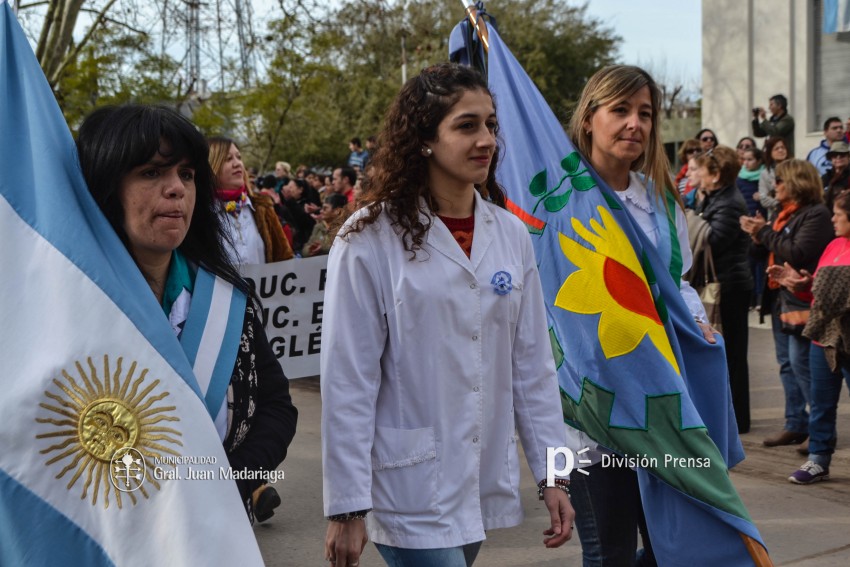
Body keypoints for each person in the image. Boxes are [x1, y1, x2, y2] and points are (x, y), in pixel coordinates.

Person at [321, 63, 574, 567]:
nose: (486, 139)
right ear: (423, 140)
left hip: (480, 479)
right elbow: (348, 378)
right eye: (466, 125)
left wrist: (557, 474)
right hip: (406, 482)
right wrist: (346, 505)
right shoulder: (368, 237)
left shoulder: (510, 233)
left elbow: (535, 369)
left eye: (491, 124)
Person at [75, 104, 298, 523]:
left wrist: (231, 483)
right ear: (106, 187)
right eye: (151, 172)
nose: (176, 188)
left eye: (187, 174)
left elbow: (277, 407)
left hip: (214, 530)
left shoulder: (228, 299)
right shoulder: (71, 304)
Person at [567, 64, 715, 566]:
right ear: (589, 118)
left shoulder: (661, 202)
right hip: (584, 409)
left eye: (646, 113)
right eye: (621, 110)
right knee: (606, 550)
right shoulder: (554, 199)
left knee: (668, 546)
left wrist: (696, 317)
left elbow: (676, 286)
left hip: (660, 401)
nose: (636, 123)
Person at [740, 159, 834, 449]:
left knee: (802, 365)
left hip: (803, 301)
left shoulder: (816, 215)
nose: (775, 186)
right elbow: (766, 252)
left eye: (780, 181)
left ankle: (819, 432)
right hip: (781, 299)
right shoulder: (784, 214)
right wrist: (758, 237)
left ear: (796, 183)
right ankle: (796, 424)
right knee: (786, 365)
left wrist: (764, 233)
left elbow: (797, 251)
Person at [767, 192, 850, 483]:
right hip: (824, 337)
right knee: (821, 402)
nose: (833, 219)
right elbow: (819, 293)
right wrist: (799, 284)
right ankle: (818, 459)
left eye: (838, 214)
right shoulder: (834, 245)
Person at [693, 146, 754, 432]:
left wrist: (691, 220)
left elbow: (714, 241)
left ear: (716, 175)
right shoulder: (718, 197)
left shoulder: (729, 202)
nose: (699, 175)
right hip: (726, 285)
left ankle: (739, 420)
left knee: (733, 356)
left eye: (702, 169)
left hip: (731, 288)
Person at [208, 137, 294, 264]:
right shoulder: (200, 213)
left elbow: (284, 258)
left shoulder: (263, 207)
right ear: (212, 167)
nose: (237, 163)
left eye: (239, 157)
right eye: (228, 159)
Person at [753, 136, 791, 221]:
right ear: (770, 152)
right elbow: (764, 200)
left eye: (782, 147)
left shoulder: (795, 169)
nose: (780, 150)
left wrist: (772, 196)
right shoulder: (765, 174)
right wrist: (782, 203)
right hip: (775, 216)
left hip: (795, 215)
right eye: (776, 148)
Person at [302, 193, 348, 257]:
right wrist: (309, 249)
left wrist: (322, 249)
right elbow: (305, 249)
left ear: (337, 211)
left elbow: (342, 249)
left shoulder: (345, 228)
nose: (321, 211)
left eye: (325, 208)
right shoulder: (318, 227)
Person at [822, 140, 850, 210]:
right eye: (834, 155)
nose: (838, 157)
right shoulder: (826, 177)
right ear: (831, 158)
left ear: (848, 157)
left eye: (842, 155)